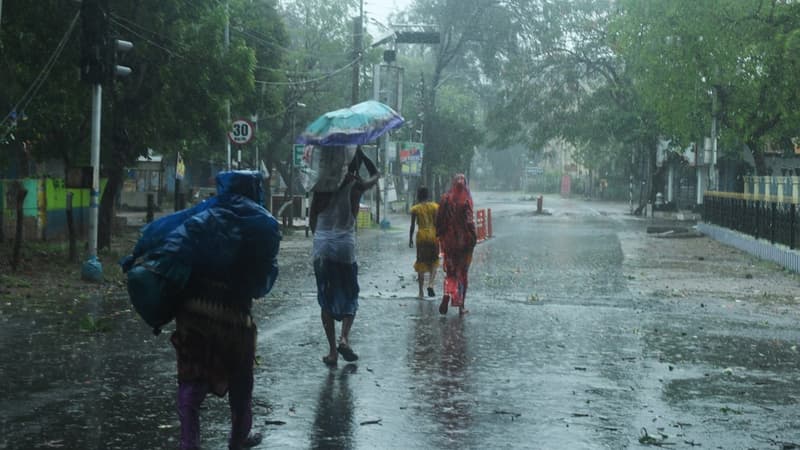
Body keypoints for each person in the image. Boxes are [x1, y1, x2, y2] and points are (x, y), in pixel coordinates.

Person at [122, 170, 280, 450]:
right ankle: (238, 439)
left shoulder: (201, 217)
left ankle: (189, 444)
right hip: (236, 318)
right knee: (241, 382)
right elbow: (262, 282)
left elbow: (164, 240)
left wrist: (133, 258)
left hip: (193, 314)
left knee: (191, 382)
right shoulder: (260, 226)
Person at [309, 146, 379, 366]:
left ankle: (332, 352)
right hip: (344, 245)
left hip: (322, 244)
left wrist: (320, 237)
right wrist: (363, 156)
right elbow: (376, 175)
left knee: (325, 297)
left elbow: (312, 218)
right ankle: (344, 338)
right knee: (350, 293)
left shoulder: (320, 184)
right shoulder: (355, 184)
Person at [435, 174, 477, 315]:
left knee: (451, 272)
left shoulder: (445, 199)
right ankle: (461, 306)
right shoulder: (466, 201)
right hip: (464, 244)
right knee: (462, 274)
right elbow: (469, 221)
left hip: (449, 243)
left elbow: (439, 220)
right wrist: (473, 237)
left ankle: (446, 297)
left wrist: (440, 236)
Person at [409, 186, 439, 299]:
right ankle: (430, 284)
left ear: (418, 196)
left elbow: (412, 226)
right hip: (433, 236)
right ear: (428, 195)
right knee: (434, 261)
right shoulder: (434, 207)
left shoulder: (415, 209)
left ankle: (421, 293)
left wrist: (410, 239)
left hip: (421, 237)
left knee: (421, 263)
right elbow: (437, 223)